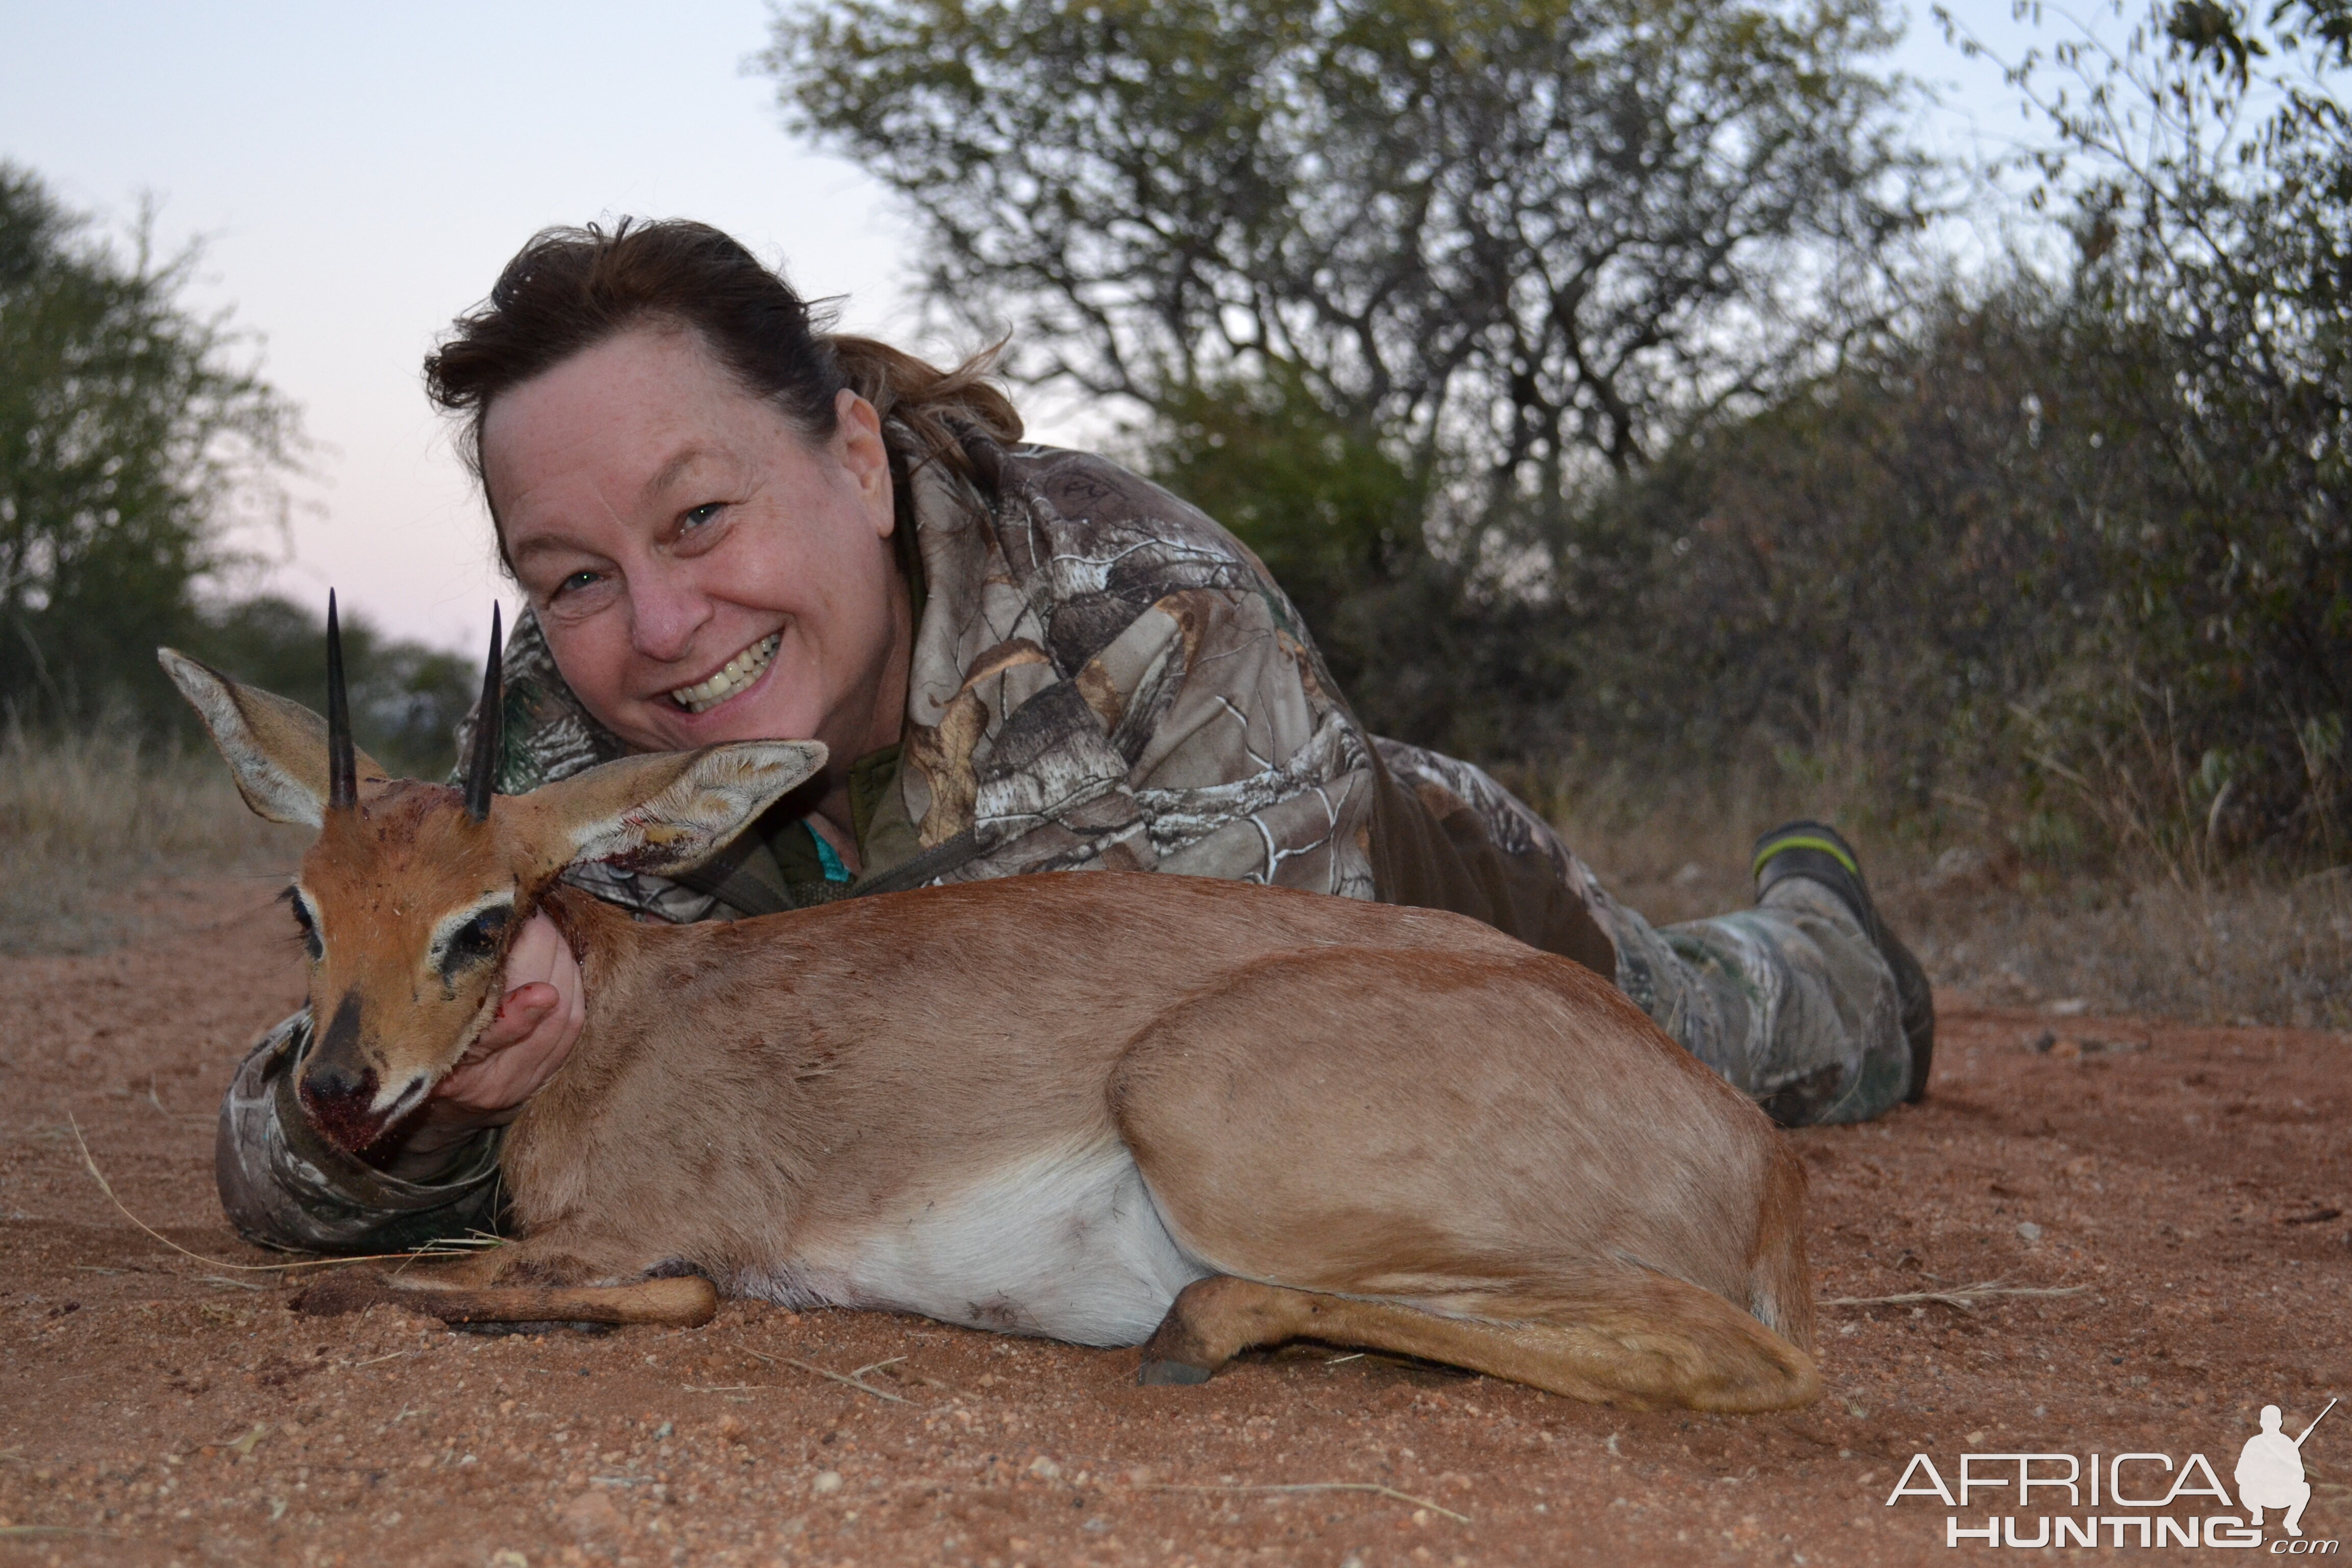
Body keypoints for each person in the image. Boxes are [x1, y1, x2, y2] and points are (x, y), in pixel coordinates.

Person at [214, 219, 1934, 1253]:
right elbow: (299, 1148)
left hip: (1373, 897)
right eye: (572, 573)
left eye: (702, 517)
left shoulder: (1149, 618)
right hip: (980, 1010)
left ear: (860, 463)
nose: (657, 628)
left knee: (1726, 1031)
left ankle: (1824, 928)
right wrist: (450, 1109)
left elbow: (1243, 1096)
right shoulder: (549, 747)